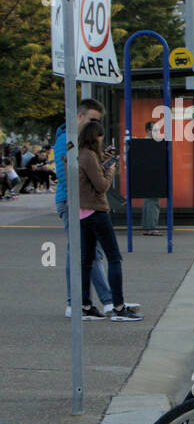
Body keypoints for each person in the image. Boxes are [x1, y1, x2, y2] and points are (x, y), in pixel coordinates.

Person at [54, 99, 133, 318]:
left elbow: (81, 171)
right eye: (92, 120)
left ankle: (97, 302)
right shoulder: (67, 141)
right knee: (81, 254)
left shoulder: (78, 144)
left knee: (89, 254)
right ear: (79, 117)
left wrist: (101, 163)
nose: (96, 125)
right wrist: (103, 173)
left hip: (81, 204)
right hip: (77, 204)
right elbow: (68, 176)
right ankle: (83, 303)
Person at [76, 122, 141, 322]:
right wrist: (111, 169)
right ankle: (119, 307)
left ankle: (85, 305)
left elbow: (89, 176)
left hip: (82, 213)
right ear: (95, 137)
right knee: (114, 258)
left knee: (86, 261)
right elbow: (102, 185)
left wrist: (102, 161)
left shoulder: (80, 154)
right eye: (100, 137)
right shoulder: (89, 156)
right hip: (97, 212)